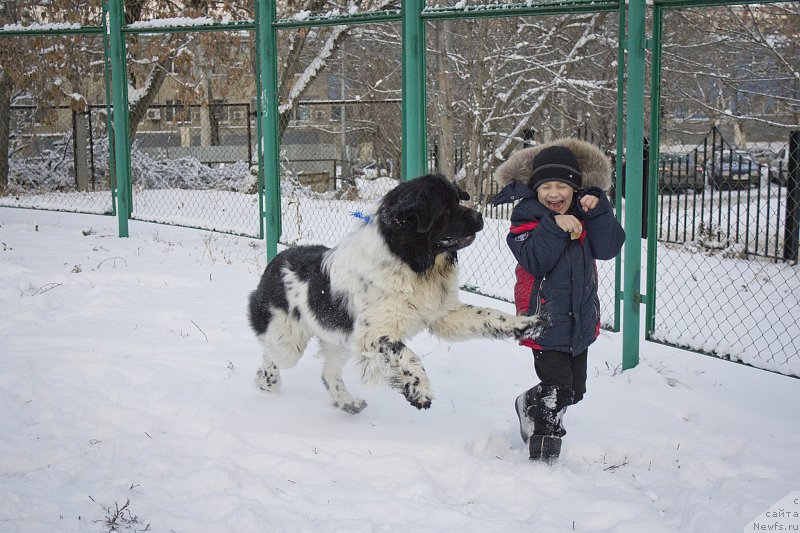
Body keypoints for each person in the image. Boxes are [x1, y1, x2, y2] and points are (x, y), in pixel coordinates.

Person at [492, 139, 626, 464]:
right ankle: (544, 452)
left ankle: (528, 403)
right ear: (535, 190)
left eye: (562, 186)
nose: (554, 194)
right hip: (543, 322)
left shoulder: (586, 212)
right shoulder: (524, 219)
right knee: (555, 390)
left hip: (579, 320)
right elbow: (535, 261)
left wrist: (600, 209)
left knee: (574, 391)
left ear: (575, 189)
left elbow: (609, 248)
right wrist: (553, 227)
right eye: (546, 186)